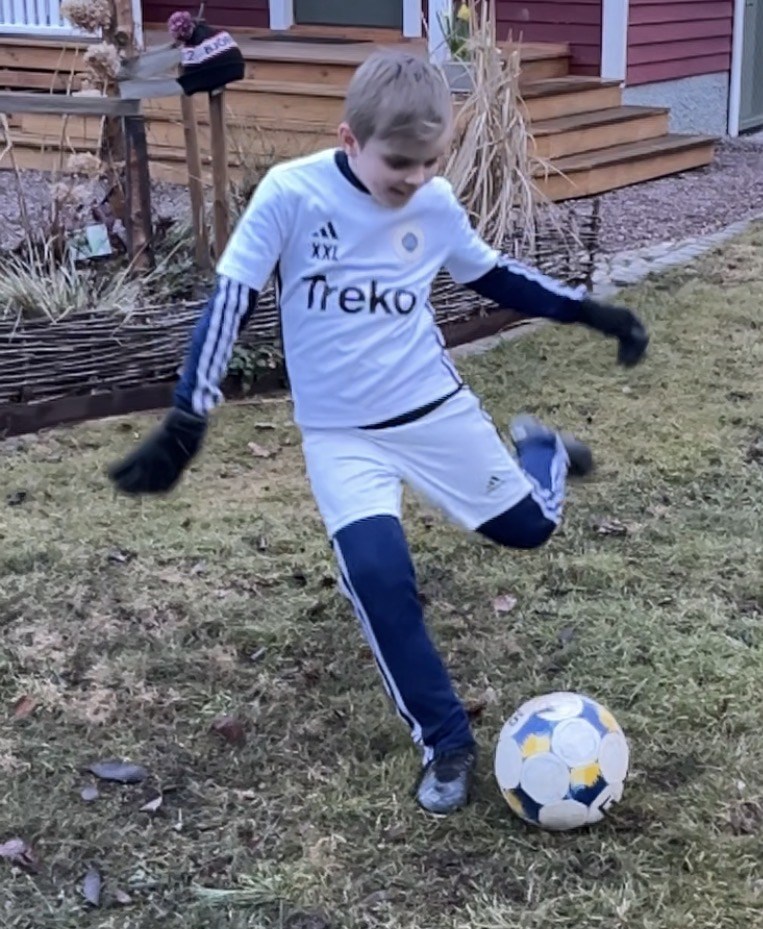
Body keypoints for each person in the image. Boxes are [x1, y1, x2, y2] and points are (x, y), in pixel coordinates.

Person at [108, 50, 649, 817]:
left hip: (432, 412)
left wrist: (593, 312)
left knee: (530, 529)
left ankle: (543, 449)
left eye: (431, 162)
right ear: (349, 139)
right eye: (399, 163)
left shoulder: (434, 202)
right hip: (340, 436)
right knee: (379, 578)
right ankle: (446, 741)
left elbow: (494, 274)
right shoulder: (290, 193)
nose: (416, 178)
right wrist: (188, 414)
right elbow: (231, 297)